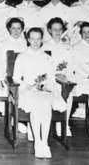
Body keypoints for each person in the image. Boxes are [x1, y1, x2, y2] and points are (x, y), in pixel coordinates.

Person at [13, 27, 66, 159]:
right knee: (37, 104)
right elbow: (16, 78)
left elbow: (51, 78)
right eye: (32, 38)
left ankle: (44, 142)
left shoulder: (47, 57)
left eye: (38, 39)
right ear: (28, 39)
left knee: (46, 104)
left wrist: (44, 86)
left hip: (44, 89)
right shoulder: (22, 57)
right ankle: (38, 142)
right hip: (28, 90)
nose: (35, 42)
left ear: (42, 40)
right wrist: (29, 86)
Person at [42, 17, 75, 137]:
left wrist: (65, 75)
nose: (57, 32)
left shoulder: (67, 47)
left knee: (68, 90)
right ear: (49, 30)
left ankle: (64, 124)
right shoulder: (44, 46)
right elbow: (43, 65)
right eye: (54, 29)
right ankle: (51, 122)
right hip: (49, 78)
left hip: (64, 78)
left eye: (60, 29)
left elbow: (71, 65)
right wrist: (55, 75)